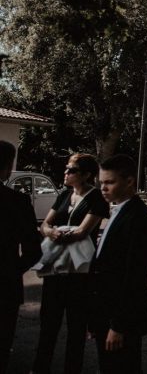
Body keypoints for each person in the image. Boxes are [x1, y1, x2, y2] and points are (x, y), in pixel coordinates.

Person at [33, 154, 110, 374]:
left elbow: (84, 231)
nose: (66, 173)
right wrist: (50, 231)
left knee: (76, 326)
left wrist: (57, 233)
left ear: (86, 175)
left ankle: (72, 368)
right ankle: (40, 367)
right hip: (56, 269)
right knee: (48, 324)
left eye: (72, 170)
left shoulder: (96, 198)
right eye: (67, 169)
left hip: (79, 272)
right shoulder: (64, 195)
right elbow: (45, 224)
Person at [89, 154, 147, 373]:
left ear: (129, 181)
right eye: (101, 183)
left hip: (121, 319)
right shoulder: (117, 210)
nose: (103, 188)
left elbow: (135, 275)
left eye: (110, 182)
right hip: (104, 312)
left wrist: (119, 325)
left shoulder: (138, 217)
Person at [0, 140, 41, 372]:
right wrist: (11, 270)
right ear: (7, 167)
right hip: (5, 288)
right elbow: (33, 251)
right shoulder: (17, 202)